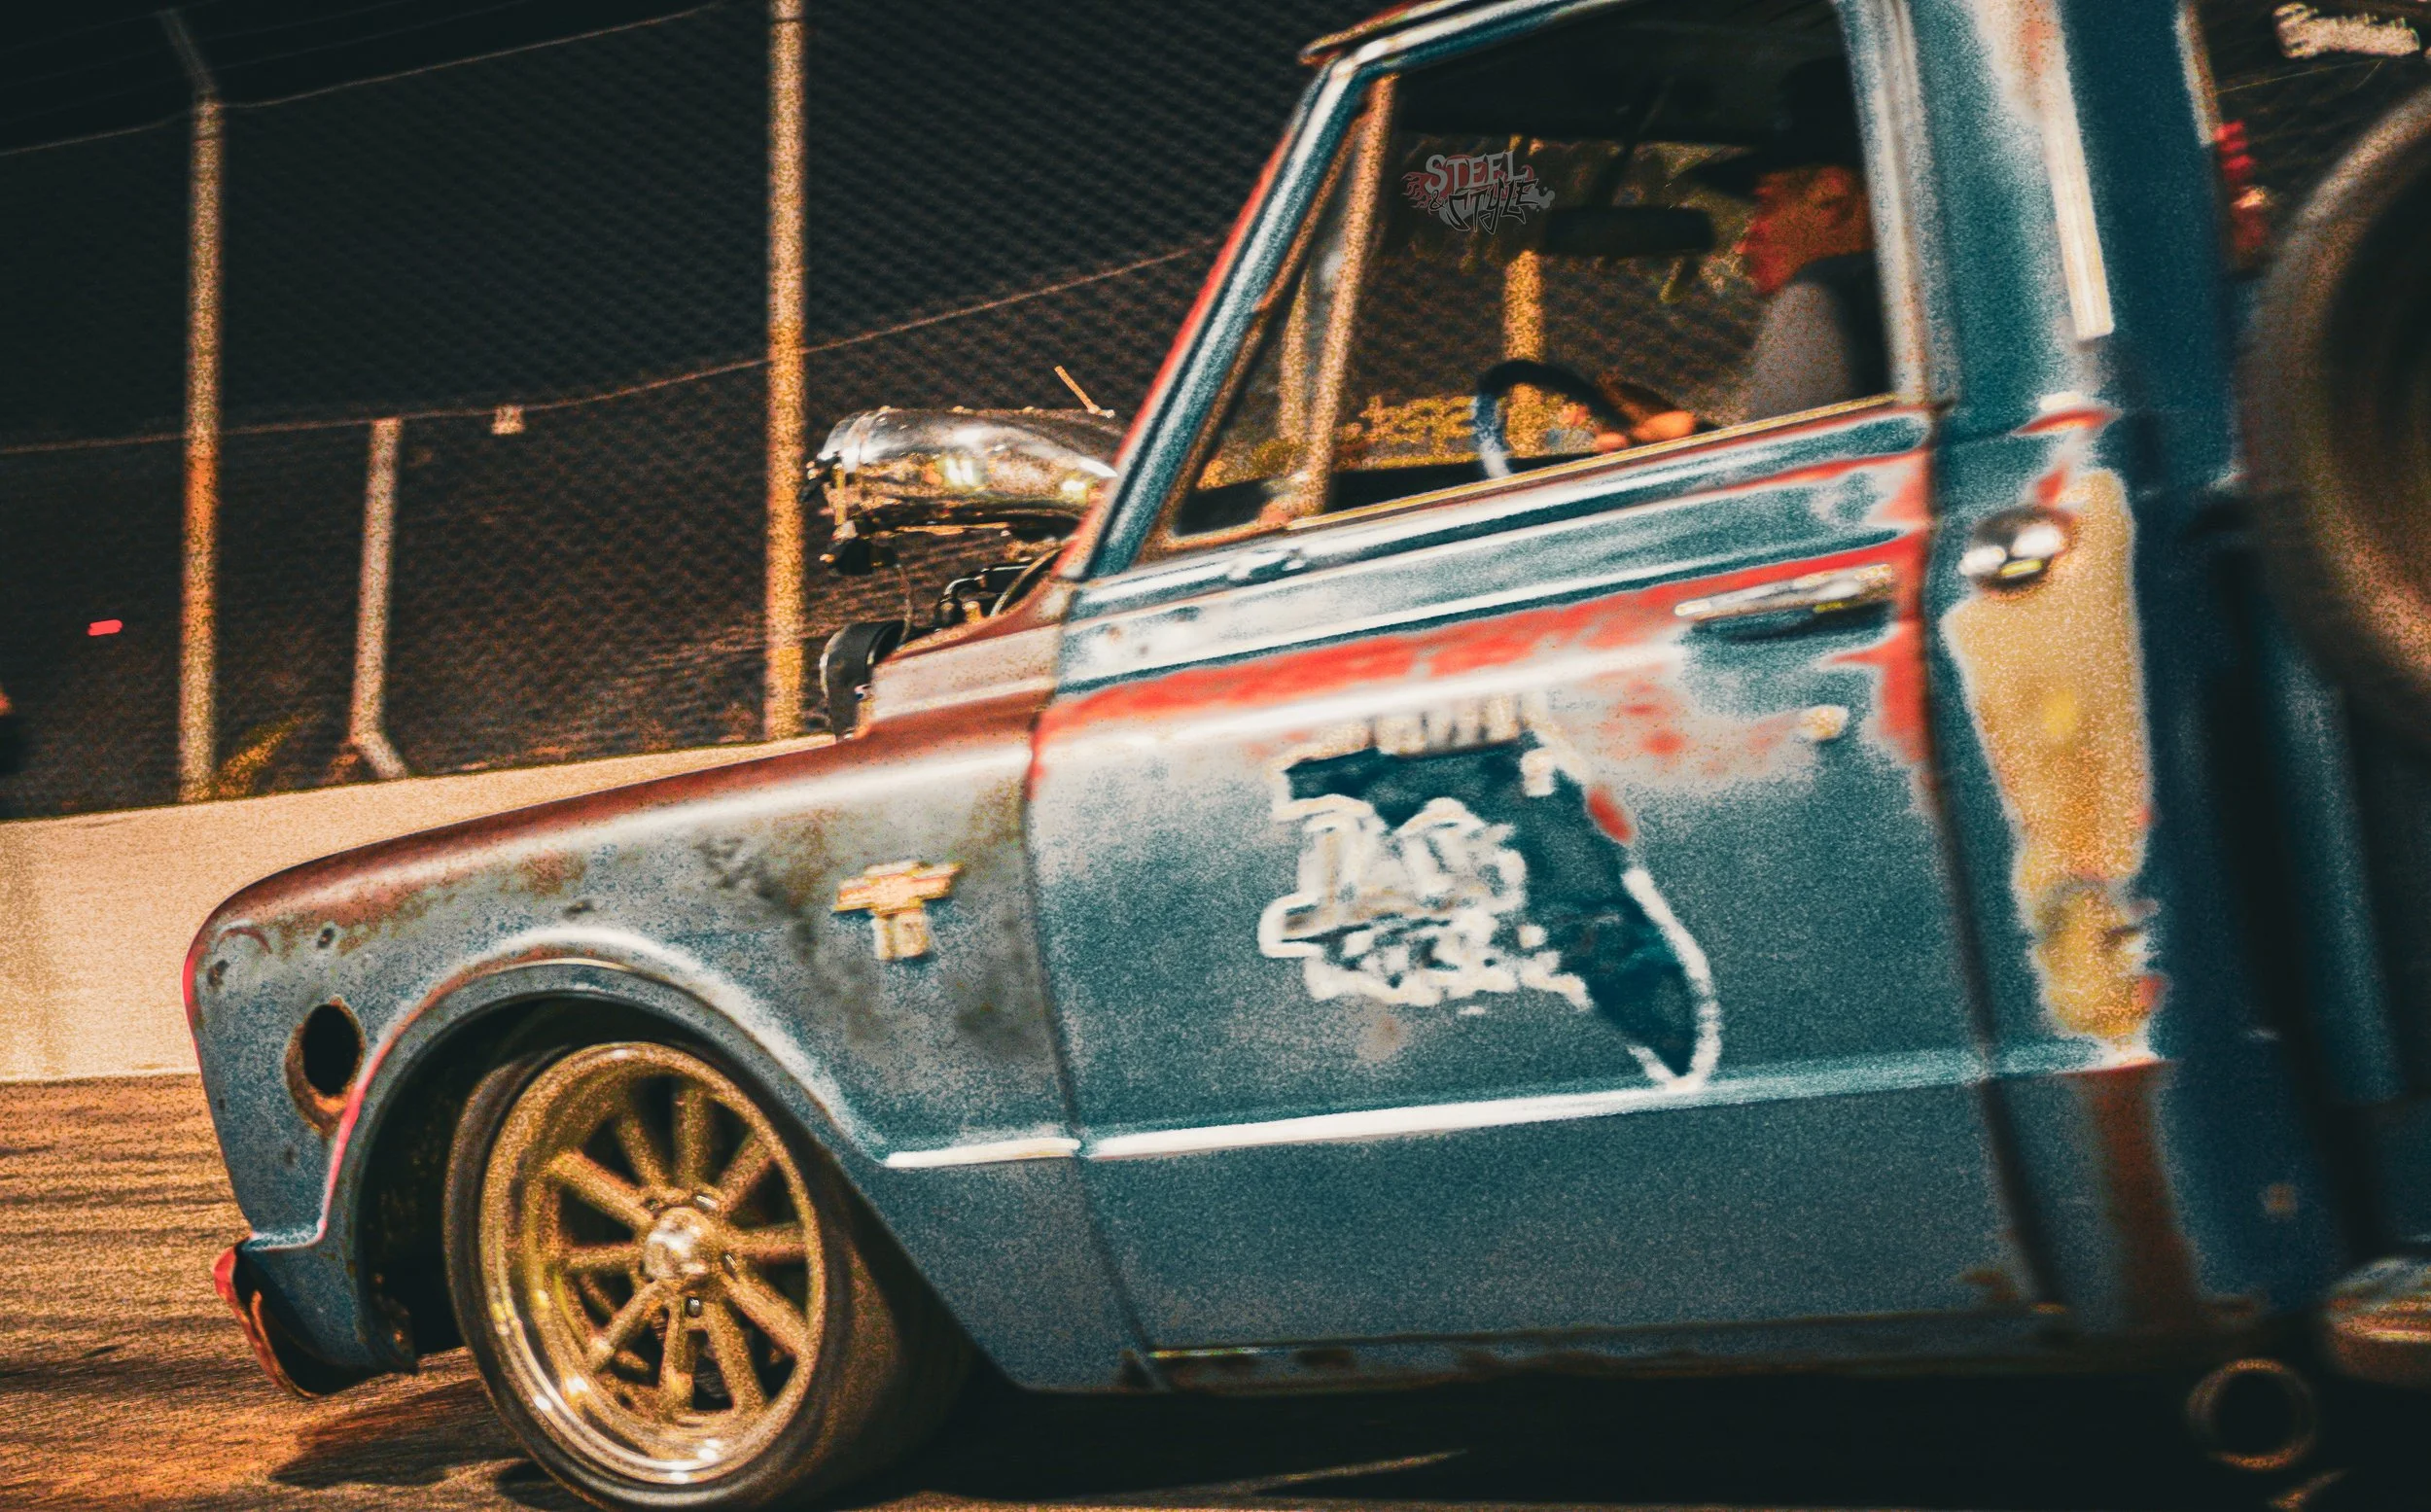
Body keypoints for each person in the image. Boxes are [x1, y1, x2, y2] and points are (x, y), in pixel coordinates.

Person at [1580, 57, 1887, 449]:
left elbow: (1788, 477)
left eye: (1765, 204)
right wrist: (1695, 436)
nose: (1744, 243)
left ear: (1831, 195)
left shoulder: (1820, 298)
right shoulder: (1908, 308)